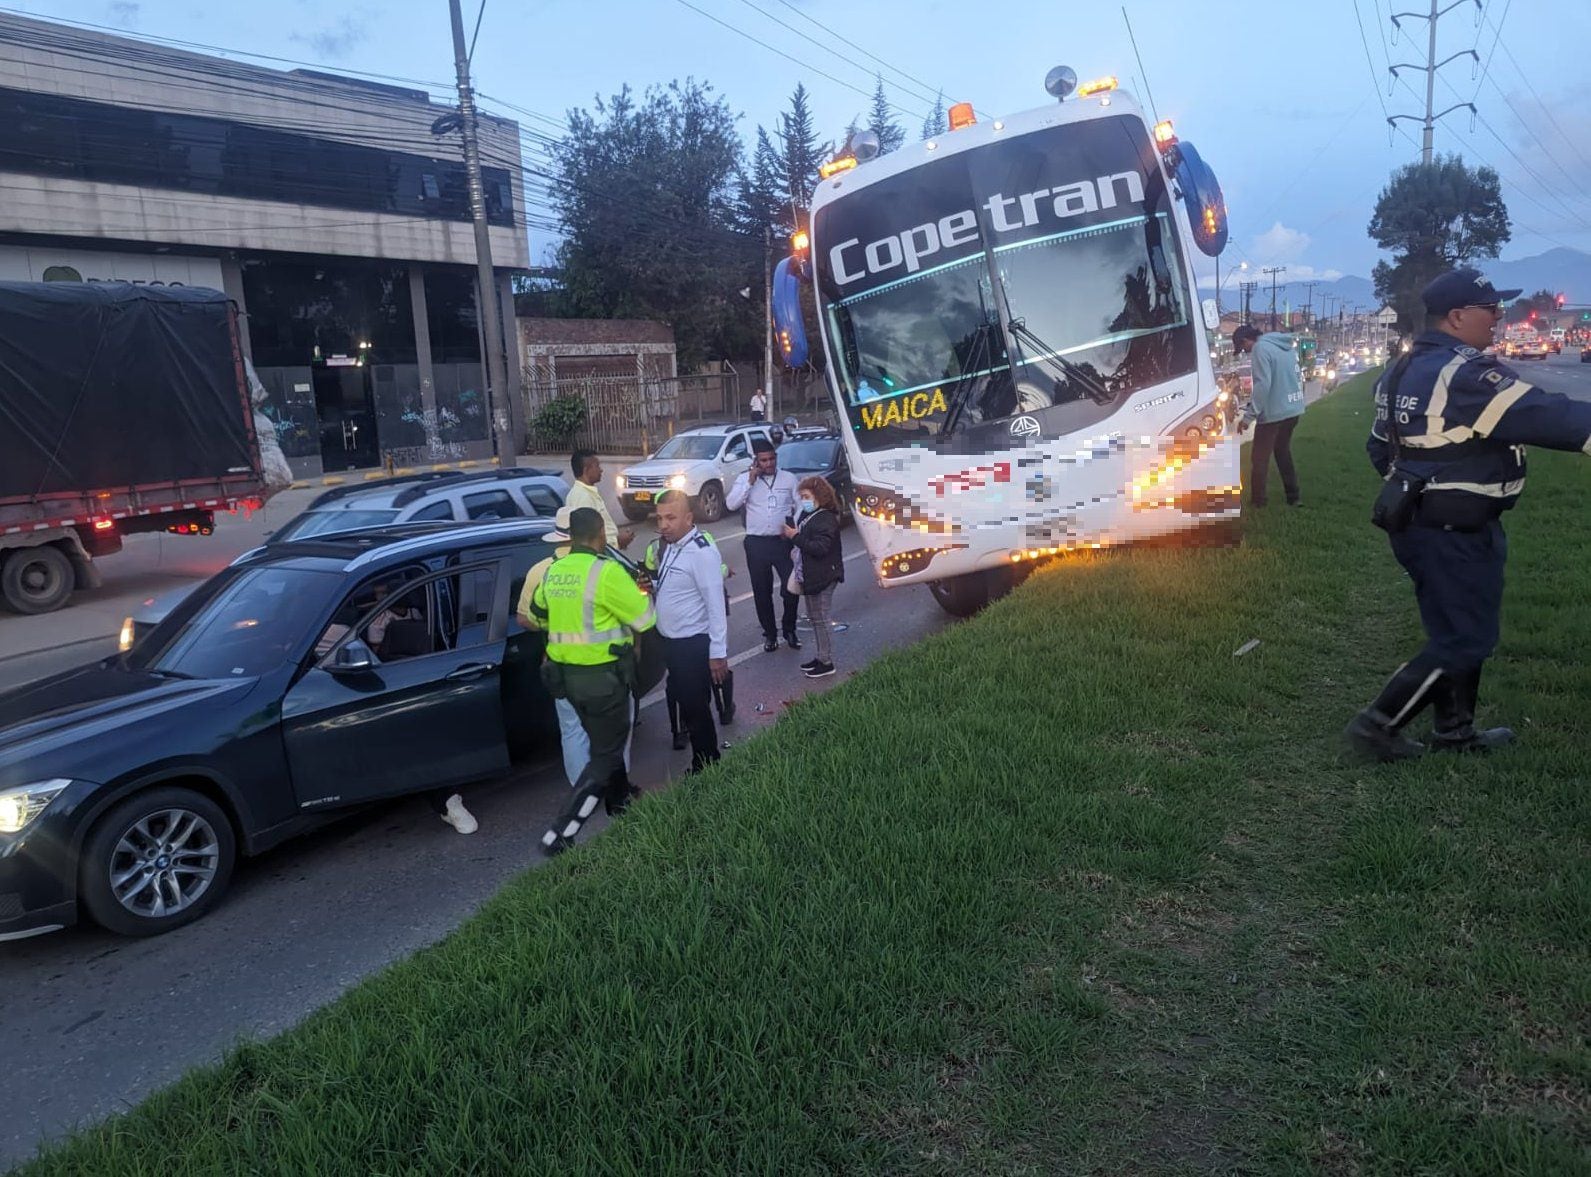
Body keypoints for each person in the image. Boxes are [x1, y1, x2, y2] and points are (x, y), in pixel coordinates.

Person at [1346, 267, 1591, 762]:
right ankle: (1378, 725)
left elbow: (1379, 447)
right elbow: (1549, 415)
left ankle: (1455, 731)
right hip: (1452, 531)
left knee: (1454, 631)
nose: (1499, 319)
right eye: (1491, 311)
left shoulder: (1401, 368)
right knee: (1465, 638)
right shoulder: (1464, 373)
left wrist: (1418, 481)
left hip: (1424, 524)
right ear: (1458, 317)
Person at [526, 508, 656, 854]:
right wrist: (639, 594)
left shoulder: (554, 572)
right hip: (604, 683)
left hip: (567, 682)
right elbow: (644, 620)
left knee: (602, 742)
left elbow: (538, 615)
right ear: (599, 534)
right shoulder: (606, 572)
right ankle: (561, 832)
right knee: (606, 753)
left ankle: (621, 799)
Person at [516, 507, 633, 789]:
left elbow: (525, 618)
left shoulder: (540, 572)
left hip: (561, 667)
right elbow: (635, 615)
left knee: (572, 731)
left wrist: (555, 626)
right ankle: (617, 789)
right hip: (605, 669)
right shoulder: (604, 568)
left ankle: (583, 788)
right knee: (615, 730)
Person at [647, 490, 729, 771]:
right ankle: (703, 759)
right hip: (672, 643)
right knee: (689, 703)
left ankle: (707, 763)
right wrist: (652, 587)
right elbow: (674, 586)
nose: (663, 525)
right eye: (659, 518)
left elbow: (715, 605)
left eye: (670, 517)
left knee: (696, 709)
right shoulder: (671, 546)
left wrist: (717, 653)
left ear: (689, 518)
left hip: (692, 644)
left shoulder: (701, 552)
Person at [725, 439, 802, 652]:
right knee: (762, 591)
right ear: (756, 461)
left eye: (772, 459)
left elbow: (798, 504)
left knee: (791, 588)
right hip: (756, 543)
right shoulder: (744, 480)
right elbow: (731, 504)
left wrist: (791, 527)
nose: (769, 464)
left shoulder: (788, 478)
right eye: (764, 460)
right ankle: (770, 634)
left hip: (782, 543)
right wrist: (750, 481)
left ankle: (790, 629)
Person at [1231, 323, 1306, 507]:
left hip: (1274, 413)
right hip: (1293, 409)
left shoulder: (1260, 348)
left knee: (1259, 458)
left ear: (1246, 340)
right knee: (1282, 452)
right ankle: (1294, 497)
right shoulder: (1283, 346)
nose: (1246, 352)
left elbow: (1262, 384)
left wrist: (1249, 417)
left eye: (1243, 348)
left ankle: (1258, 502)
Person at [782, 475, 844, 679]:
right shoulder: (812, 515)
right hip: (811, 575)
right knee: (816, 618)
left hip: (824, 575)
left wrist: (795, 537)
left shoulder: (825, 518)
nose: (803, 500)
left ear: (819, 495)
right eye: (801, 497)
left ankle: (826, 662)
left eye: (806, 496)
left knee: (822, 619)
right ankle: (821, 657)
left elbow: (820, 547)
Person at [568, 449, 634, 551]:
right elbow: (589, 538)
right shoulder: (583, 497)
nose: (601, 470)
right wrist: (618, 541)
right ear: (586, 470)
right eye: (597, 466)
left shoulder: (586, 492)